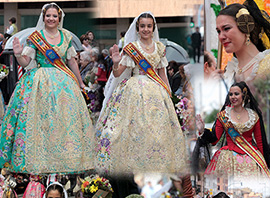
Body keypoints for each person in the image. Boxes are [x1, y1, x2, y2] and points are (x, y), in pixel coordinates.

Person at [0, 3, 94, 175]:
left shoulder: (66, 37)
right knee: (41, 122)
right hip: (39, 83)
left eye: (54, 16)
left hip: (64, 84)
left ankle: (64, 158)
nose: (51, 19)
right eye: (48, 15)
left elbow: (72, 61)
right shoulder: (36, 37)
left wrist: (80, 83)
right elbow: (26, 62)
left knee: (64, 121)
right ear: (43, 17)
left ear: (59, 18)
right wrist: (19, 54)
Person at [95, 12, 189, 175]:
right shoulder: (132, 48)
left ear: (153, 28)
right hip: (134, 90)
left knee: (157, 130)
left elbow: (161, 74)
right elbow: (118, 74)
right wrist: (116, 62)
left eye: (149, 26)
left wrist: (169, 94)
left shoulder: (159, 48)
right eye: (142, 26)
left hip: (156, 92)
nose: (146, 29)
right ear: (138, 28)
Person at [196, 82, 270, 178]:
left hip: (251, 158)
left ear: (244, 95)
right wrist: (202, 130)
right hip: (228, 159)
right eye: (230, 94)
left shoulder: (254, 116)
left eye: (236, 94)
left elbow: (260, 141)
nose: (233, 97)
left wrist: (265, 163)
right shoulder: (223, 116)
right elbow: (215, 139)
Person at [216, 1, 270, 85]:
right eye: (218, 31)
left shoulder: (267, 65)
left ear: (245, 27)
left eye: (226, 28)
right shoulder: (229, 71)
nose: (221, 36)